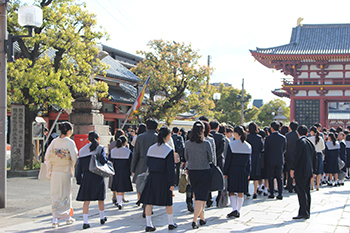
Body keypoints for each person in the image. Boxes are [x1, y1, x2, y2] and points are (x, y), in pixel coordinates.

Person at [139, 126, 177, 232]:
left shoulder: (151, 148)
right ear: (168, 136)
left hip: (152, 177)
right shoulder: (168, 150)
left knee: (149, 201)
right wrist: (172, 183)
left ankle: (148, 224)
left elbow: (147, 163)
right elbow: (170, 168)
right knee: (168, 202)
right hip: (164, 178)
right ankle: (170, 223)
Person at [45, 122, 77, 228]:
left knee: (55, 193)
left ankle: (55, 218)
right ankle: (67, 217)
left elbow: (47, 156)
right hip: (65, 171)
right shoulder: (69, 142)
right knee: (66, 193)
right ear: (68, 131)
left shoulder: (54, 142)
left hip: (55, 171)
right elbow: (74, 157)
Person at [185, 121, 215, 229]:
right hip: (204, 171)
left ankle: (202, 218)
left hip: (192, 171)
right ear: (203, 130)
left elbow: (186, 157)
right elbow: (211, 158)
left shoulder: (187, 143)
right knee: (201, 197)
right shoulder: (206, 143)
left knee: (196, 194)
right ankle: (194, 220)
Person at [76, 131, 108, 229]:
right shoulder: (100, 148)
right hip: (98, 176)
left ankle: (85, 222)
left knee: (87, 200)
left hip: (87, 176)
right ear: (98, 138)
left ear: (88, 139)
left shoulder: (82, 150)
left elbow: (79, 167)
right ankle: (102, 217)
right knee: (100, 198)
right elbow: (103, 161)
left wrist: (79, 179)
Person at [223, 126, 251, 218]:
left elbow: (228, 160)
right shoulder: (248, 146)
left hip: (233, 170)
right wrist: (248, 172)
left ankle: (234, 209)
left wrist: (225, 172)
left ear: (236, 133)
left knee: (231, 190)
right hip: (243, 170)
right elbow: (249, 162)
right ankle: (238, 210)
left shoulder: (232, 145)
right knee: (240, 191)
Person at [290, 125, 317, 220]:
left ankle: (303, 212)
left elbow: (297, 156)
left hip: (301, 170)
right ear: (307, 133)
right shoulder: (310, 142)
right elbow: (315, 157)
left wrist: (293, 168)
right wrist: (314, 170)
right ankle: (306, 211)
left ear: (298, 133)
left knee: (301, 191)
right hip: (309, 170)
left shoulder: (300, 142)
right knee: (306, 191)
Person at [131, 119, 158, 207]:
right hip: (154, 163)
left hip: (141, 162)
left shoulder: (140, 137)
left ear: (146, 126)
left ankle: (142, 200)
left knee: (141, 183)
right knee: (152, 184)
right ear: (156, 127)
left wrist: (133, 167)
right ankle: (149, 204)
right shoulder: (157, 138)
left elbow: (136, 153)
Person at [264, 121, 287, 200]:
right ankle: (280, 193)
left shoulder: (268, 138)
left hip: (270, 159)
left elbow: (266, 149)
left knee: (270, 177)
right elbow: (284, 149)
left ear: (272, 128)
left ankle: (272, 193)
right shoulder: (283, 138)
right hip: (279, 159)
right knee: (279, 177)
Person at [110, 135, 133, 209]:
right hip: (125, 171)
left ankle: (118, 201)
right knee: (122, 187)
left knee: (117, 186)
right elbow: (131, 162)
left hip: (116, 170)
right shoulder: (128, 151)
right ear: (125, 142)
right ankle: (119, 202)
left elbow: (109, 160)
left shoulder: (113, 150)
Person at [246, 122, 263, 199]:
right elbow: (261, 148)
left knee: (248, 174)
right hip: (256, 157)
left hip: (248, 156)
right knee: (256, 175)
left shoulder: (247, 137)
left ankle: (247, 191)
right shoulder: (259, 137)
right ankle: (255, 192)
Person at [308, 126, 325, 190]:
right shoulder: (320, 138)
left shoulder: (309, 139)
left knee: (312, 171)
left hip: (312, 155)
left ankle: (312, 186)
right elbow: (323, 148)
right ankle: (318, 186)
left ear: (312, 131)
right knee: (319, 171)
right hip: (319, 154)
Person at [285, 121, 299, 193]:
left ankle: (289, 186)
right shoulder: (298, 135)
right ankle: (296, 186)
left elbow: (285, 146)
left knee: (289, 170)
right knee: (297, 171)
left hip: (289, 155)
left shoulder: (287, 135)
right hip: (297, 155)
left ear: (290, 127)